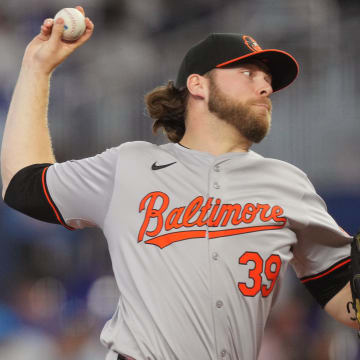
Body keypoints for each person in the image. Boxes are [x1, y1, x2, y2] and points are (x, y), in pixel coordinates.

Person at [1, 5, 359, 360]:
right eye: (249, 73)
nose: (266, 86)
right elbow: (22, 185)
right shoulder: (131, 164)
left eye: (268, 80)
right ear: (198, 84)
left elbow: (344, 298)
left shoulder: (288, 183)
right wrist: (38, 68)